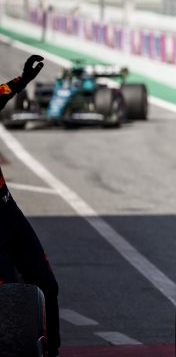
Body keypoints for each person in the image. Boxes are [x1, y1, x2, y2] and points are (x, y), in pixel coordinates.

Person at [0, 54, 60, 356]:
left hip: (7, 212)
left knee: (46, 285)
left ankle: (52, 350)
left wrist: (23, 78)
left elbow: (3, 92)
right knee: (9, 296)